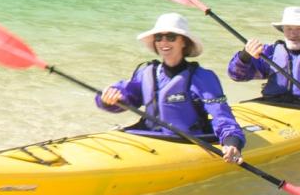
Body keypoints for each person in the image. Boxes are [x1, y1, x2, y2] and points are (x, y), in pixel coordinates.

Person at [98, 13, 245, 163]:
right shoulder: (147, 73)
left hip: (186, 143)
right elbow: (127, 94)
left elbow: (221, 114)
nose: (163, 42)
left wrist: (232, 142)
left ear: (184, 42)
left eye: (171, 37)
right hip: (148, 138)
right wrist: (109, 98)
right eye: (158, 37)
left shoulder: (202, 78)